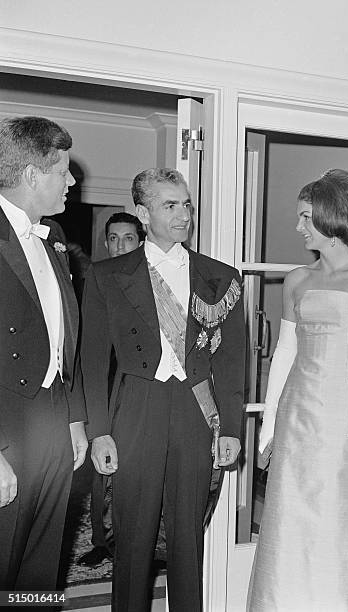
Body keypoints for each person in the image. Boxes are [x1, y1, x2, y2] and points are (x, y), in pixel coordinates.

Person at [80, 168, 245, 611]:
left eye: (187, 204)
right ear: (142, 212)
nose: (184, 214)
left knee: (187, 538)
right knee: (132, 535)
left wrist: (231, 427)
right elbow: (91, 362)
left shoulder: (220, 276)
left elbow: (231, 361)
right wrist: (99, 431)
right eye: (170, 205)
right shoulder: (107, 275)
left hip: (194, 409)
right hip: (135, 406)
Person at [248, 169, 348, 611]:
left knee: (345, 517)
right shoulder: (297, 279)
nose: (298, 228)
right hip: (300, 411)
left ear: (332, 219)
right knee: (294, 516)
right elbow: (285, 352)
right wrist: (269, 420)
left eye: (305, 217)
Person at [0, 116, 88, 592]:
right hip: (6, 428)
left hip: (53, 423)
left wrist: (74, 419)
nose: (72, 181)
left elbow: (64, 337)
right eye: (63, 171)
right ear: (33, 175)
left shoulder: (52, 238)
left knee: (39, 571)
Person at [78, 211, 145, 568]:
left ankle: (143, 544)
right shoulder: (96, 278)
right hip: (103, 389)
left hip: (138, 392)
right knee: (102, 471)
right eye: (114, 239)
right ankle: (102, 541)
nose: (121, 245)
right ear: (106, 243)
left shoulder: (152, 282)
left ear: (141, 241)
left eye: (128, 238)